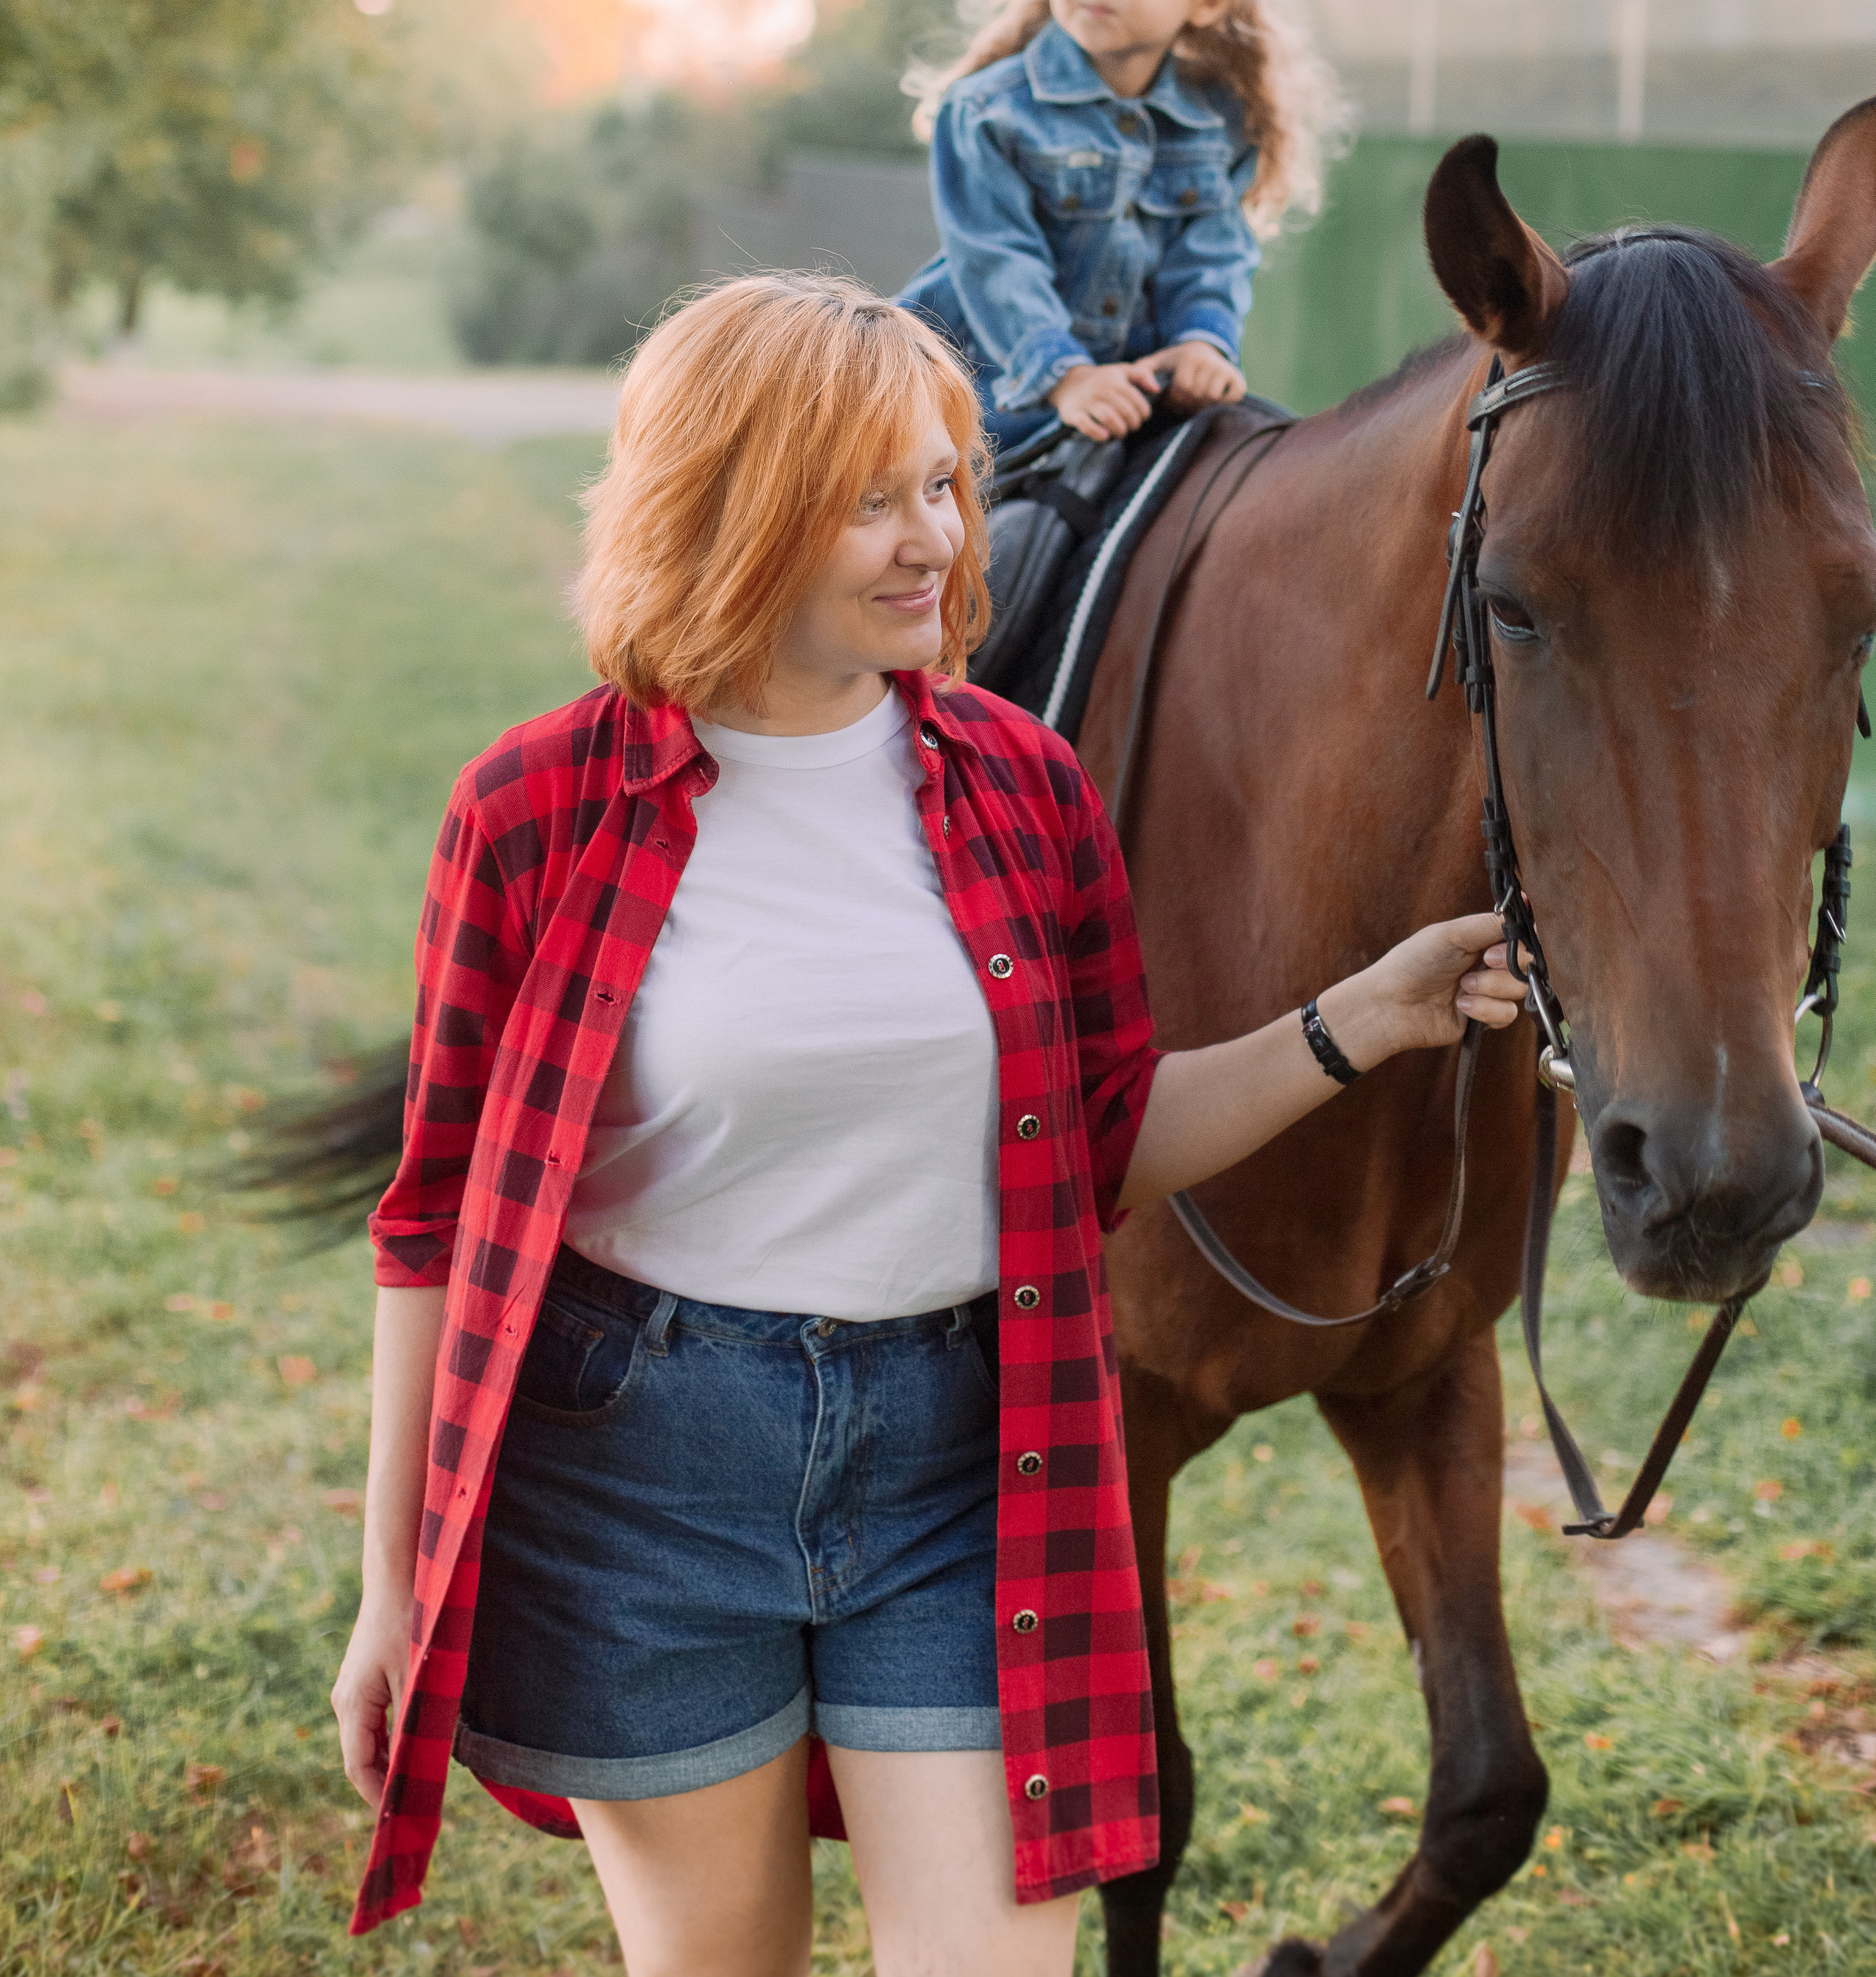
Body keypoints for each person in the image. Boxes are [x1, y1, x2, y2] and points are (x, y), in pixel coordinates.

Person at [332, 273, 1524, 1977]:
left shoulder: (1019, 788)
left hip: (965, 1461)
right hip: (645, 1466)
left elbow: (1107, 1133)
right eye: (868, 497)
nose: (933, 539)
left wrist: (1366, 1014)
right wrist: (391, 1585)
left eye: (944, 482)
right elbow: (433, 1218)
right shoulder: (539, 809)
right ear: (729, 506)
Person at [895, 0, 1343, 457]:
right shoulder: (988, 113)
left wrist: (1202, 340)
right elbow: (998, 265)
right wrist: (1067, 376)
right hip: (980, 399)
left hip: (1132, 399)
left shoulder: (1220, 122)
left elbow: (1213, 253)